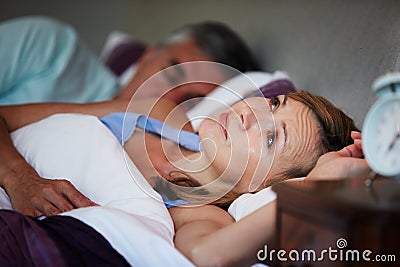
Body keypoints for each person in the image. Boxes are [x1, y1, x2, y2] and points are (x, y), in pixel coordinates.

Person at [0, 88, 368, 266]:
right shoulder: (157, 112)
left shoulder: (201, 213)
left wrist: (319, 189)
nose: (250, 116)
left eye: (271, 138)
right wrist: (18, 177)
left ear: (265, 186)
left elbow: (208, 256)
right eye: (274, 104)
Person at [0, 16, 260, 105]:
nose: (168, 99)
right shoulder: (50, 44)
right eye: (170, 75)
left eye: (192, 101)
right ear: (148, 56)